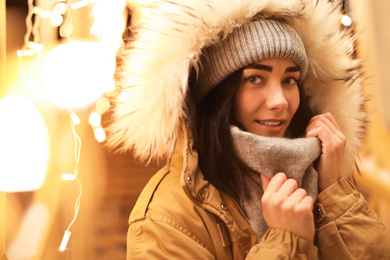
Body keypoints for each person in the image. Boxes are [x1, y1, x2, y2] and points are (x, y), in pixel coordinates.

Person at [106, 0, 390, 259]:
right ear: (219, 94)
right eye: (255, 78)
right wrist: (286, 241)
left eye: (289, 80)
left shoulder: (316, 173)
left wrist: (333, 190)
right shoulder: (165, 219)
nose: (280, 101)